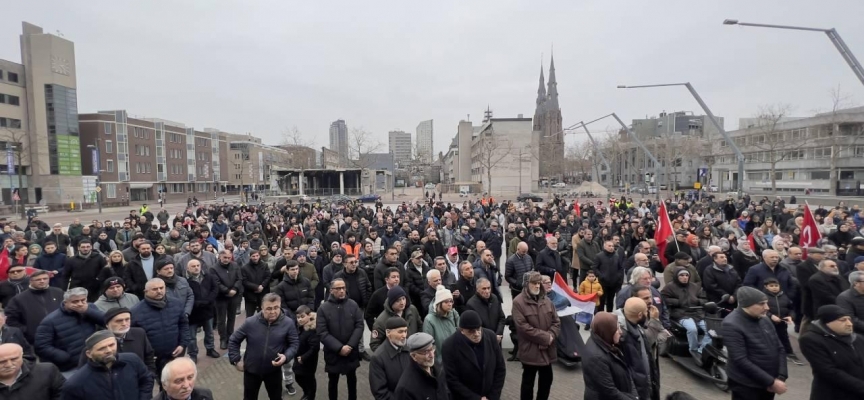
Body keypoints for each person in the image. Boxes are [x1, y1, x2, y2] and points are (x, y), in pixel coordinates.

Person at [228, 293, 299, 400]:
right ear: (262, 308)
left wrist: (286, 357)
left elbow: (294, 343)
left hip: (273, 371)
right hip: (251, 371)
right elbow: (234, 340)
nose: (273, 312)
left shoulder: (288, 323)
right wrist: (236, 360)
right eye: (269, 308)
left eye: (276, 308)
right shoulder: (250, 322)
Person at [722, 286, 788, 399]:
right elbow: (740, 360)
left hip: (768, 383)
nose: (767, 307)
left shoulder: (764, 319)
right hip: (747, 385)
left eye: (766, 303)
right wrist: (772, 382)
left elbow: (780, 348)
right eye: (762, 304)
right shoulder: (731, 324)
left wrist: (781, 376)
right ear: (747, 305)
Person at [131, 278, 190, 389]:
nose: (159, 291)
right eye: (155, 289)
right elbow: (135, 338)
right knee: (163, 384)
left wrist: (182, 344)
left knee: (179, 383)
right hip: (154, 358)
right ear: (146, 291)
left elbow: (184, 324)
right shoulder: (136, 312)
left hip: (176, 353)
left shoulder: (176, 303)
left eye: (161, 288)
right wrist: (146, 355)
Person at [61, 330, 154, 399]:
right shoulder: (76, 383)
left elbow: (146, 380)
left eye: (111, 345)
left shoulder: (132, 360)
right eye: (102, 348)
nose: (109, 351)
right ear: (89, 354)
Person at [799, 304, 864, 400]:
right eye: (842, 320)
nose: (849, 324)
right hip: (832, 394)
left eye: (849, 319)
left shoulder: (858, 338)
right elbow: (829, 371)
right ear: (828, 322)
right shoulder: (810, 339)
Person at [512, 271, 560, 400]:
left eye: (539, 283)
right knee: (528, 383)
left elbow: (556, 321)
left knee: (546, 381)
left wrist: (551, 335)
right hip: (530, 350)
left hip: (547, 350)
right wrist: (546, 338)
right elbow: (523, 328)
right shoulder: (518, 302)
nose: (538, 286)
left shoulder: (547, 300)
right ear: (527, 284)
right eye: (534, 283)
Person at [34, 287, 105, 374]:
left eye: (83, 300)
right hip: (71, 366)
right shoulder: (50, 320)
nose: (80, 304)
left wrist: (88, 311)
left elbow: (106, 321)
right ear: (65, 303)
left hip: (93, 359)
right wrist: (63, 357)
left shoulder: (90, 308)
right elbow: (41, 346)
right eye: (75, 301)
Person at [442, 310, 506, 400]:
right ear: (462, 331)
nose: (476, 334)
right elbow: (452, 379)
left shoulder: (491, 337)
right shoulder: (449, 345)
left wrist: (493, 396)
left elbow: (500, 368)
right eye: (471, 331)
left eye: (478, 329)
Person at [317, 278, 364, 400]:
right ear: (331, 290)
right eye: (338, 289)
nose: (342, 291)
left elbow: (359, 325)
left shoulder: (353, 305)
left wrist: (350, 345)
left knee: (352, 380)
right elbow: (322, 332)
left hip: (351, 351)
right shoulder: (323, 309)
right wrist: (339, 348)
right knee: (333, 381)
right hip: (333, 353)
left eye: (343, 288)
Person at [582, 311, 639, 400]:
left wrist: (634, 395)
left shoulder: (608, 343)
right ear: (607, 330)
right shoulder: (597, 358)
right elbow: (609, 391)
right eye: (616, 329)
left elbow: (626, 371)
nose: (620, 332)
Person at [661, 268, 711, 362]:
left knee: (711, 330)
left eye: (686, 275)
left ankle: (701, 350)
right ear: (677, 276)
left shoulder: (694, 286)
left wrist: (698, 301)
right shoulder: (670, 287)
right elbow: (664, 299)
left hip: (697, 313)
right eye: (682, 275)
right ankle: (693, 349)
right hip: (681, 314)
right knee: (692, 329)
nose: (684, 277)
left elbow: (704, 298)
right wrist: (678, 302)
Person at [616, 297, 660, 400]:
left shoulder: (635, 325)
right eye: (646, 311)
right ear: (639, 315)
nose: (647, 313)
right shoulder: (624, 337)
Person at [4, 270, 63, 344]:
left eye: (45, 279)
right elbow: (11, 319)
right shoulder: (19, 298)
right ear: (30, 281)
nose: (42, 281)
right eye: (38, 279)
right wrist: (27, 331)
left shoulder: (58, 292)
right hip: (34, 339)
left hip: (59, 335)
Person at [393, 332, 449, 400]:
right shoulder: (405, 389)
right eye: (426, 352)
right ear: (414, 356)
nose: (432, 355)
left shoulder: (437, 368)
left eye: (432, 349)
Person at [368, 316, 412, 400]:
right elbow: (380, 392)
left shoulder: (409, 350)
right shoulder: (378, 358)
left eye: (405, 331)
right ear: (388, 333)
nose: (404, 335)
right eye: (400, 332)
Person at [185, 259, 220, 362]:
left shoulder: (208, 277)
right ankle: (193, 354)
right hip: (193, 312)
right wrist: (196, 303)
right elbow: (185, 295)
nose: (196, 268)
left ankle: (210, 349)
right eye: (193, 266)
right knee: (191, 337)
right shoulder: (184, 281)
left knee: (209, 332)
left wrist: (208, 301)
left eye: (198, 265)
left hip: (207, 310)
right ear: (188, 268)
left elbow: (215, 289)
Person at [369, 285, 421, 352]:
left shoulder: (412, 310)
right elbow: (374, 344)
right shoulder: (381, 320)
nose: (402, 303)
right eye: (398, 300)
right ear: (391, 302)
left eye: (403, 298)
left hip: (413, 352)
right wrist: (388, 357)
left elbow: (420, 327)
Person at [762, 278, 801, 365]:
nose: (774, 288)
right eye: (771, 286)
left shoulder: (784, 296)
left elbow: (790, 308)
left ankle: (789, 353)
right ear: (766, 287)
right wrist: (771, 316)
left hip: (782, 321)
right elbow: (762, 309)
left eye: (776, 286)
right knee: (769, 337)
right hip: (768, 322)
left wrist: (790, 316)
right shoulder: (763, 297)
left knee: (784, 337)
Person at [212, 249, 243, 350]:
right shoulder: (214, 268)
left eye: (229, 258)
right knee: (221, 320)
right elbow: (216, 282)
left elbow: (239, 279)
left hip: (233, 296)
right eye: (225, 257)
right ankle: (223, 339)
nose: (227, 260)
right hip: (221, 297)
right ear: (220, 257)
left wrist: (234, 289)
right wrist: (227, 291)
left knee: (232, 318)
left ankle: (230, 337)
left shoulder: (235, 265)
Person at [422, 285, 460, 366]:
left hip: (456, 359)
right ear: (439, 303)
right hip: (440, 363)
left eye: (451, 301)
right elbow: (429, 345)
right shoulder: (429, 320)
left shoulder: (454, 314)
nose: (450, 304)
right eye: (446, 302)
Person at [465, 277, 505, 342]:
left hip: (497, 339)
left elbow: (502, 318)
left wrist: (498, 334)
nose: (487, 291)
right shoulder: (471, 304)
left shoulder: (494, 298)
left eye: (488, 288)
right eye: (484, 288)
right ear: (477, 289)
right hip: (483, 341)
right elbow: (475, 326)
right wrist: (492, 337)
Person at [293, 306, 319, 400]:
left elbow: (315, 348)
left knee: (309, 380)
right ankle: (306, 392)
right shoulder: (301, 328)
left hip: (308, 361)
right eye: (298, 317)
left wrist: (303, 357)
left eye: (302, 316)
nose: (299, 319)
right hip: (298, 358)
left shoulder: (312, 330)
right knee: (298, 377)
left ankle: (310, 396)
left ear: (309, 315)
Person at [594, 240, 624, 313]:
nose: (611, 248)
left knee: (610, 300)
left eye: (612, 246)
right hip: (603, 283)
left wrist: (618, 276)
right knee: (602, 300)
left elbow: (620, 268)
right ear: (605, 246)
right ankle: (600, 315)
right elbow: (595, 268)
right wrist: (601, 276)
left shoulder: (616, 256)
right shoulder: (599, 256)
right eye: (609, 246)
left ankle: (609, 314)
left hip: (613, 282)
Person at [241, 250, 272, 318]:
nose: (255, 258)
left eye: (257, 256)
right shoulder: (245, 268)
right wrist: (256, 287)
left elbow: (268, 276)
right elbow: (244, 281)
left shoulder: (264, 265)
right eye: (253, 256)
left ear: (259, 256)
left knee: (264, 315)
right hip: (250, 295)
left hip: (263, 293)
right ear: (250, 257)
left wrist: (262, 286)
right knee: (249, 316)